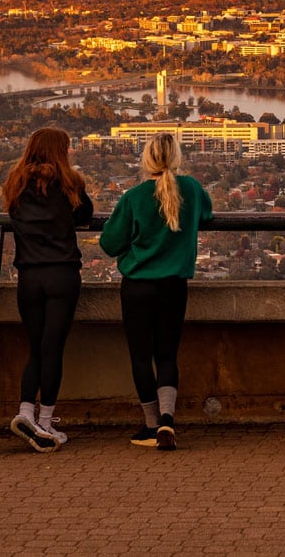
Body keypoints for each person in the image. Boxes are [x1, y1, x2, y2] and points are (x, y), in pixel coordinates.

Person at [99, 132, 212, 451]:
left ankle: (151, 426)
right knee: (167, 354)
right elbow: (207, 214)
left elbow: (109, 244)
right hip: (174, 287)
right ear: (176, 158)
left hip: (138, 287)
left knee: (140, 355)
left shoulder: (133, 198)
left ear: (146, 160)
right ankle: (167, 419)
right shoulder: (191, 188)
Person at [2, 127, 93, 453]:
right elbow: (86, 214)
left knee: (36, 349)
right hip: (61, 274)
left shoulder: (15, 184)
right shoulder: (70, 183)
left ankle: (25, 410)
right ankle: (45, 421)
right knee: (53, 348)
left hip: (29, 276)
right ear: (61, 151)